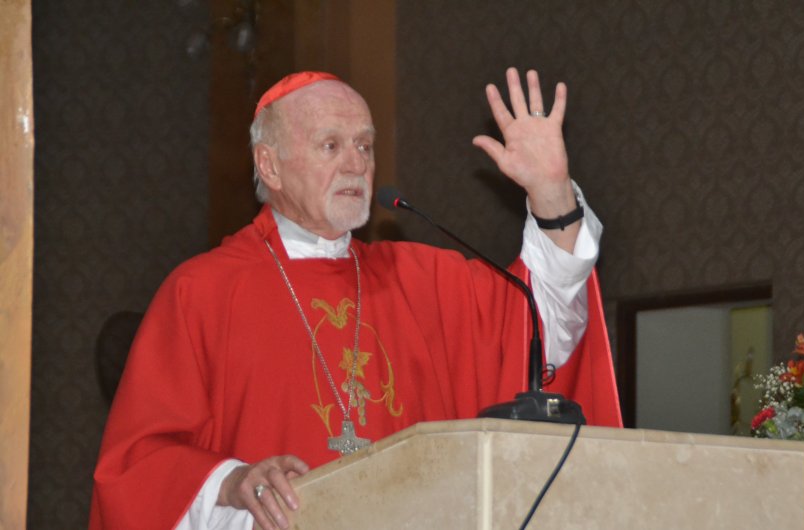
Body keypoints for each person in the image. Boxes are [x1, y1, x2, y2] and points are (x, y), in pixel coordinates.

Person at [89, 68, 621, 530]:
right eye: (331, 146)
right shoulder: (202, 292)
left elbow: (540, 328)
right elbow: (137, 467)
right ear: (269, 165)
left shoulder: (421, 280)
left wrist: (551, 193)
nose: (355, 164)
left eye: (364, 146)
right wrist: (232, 482)